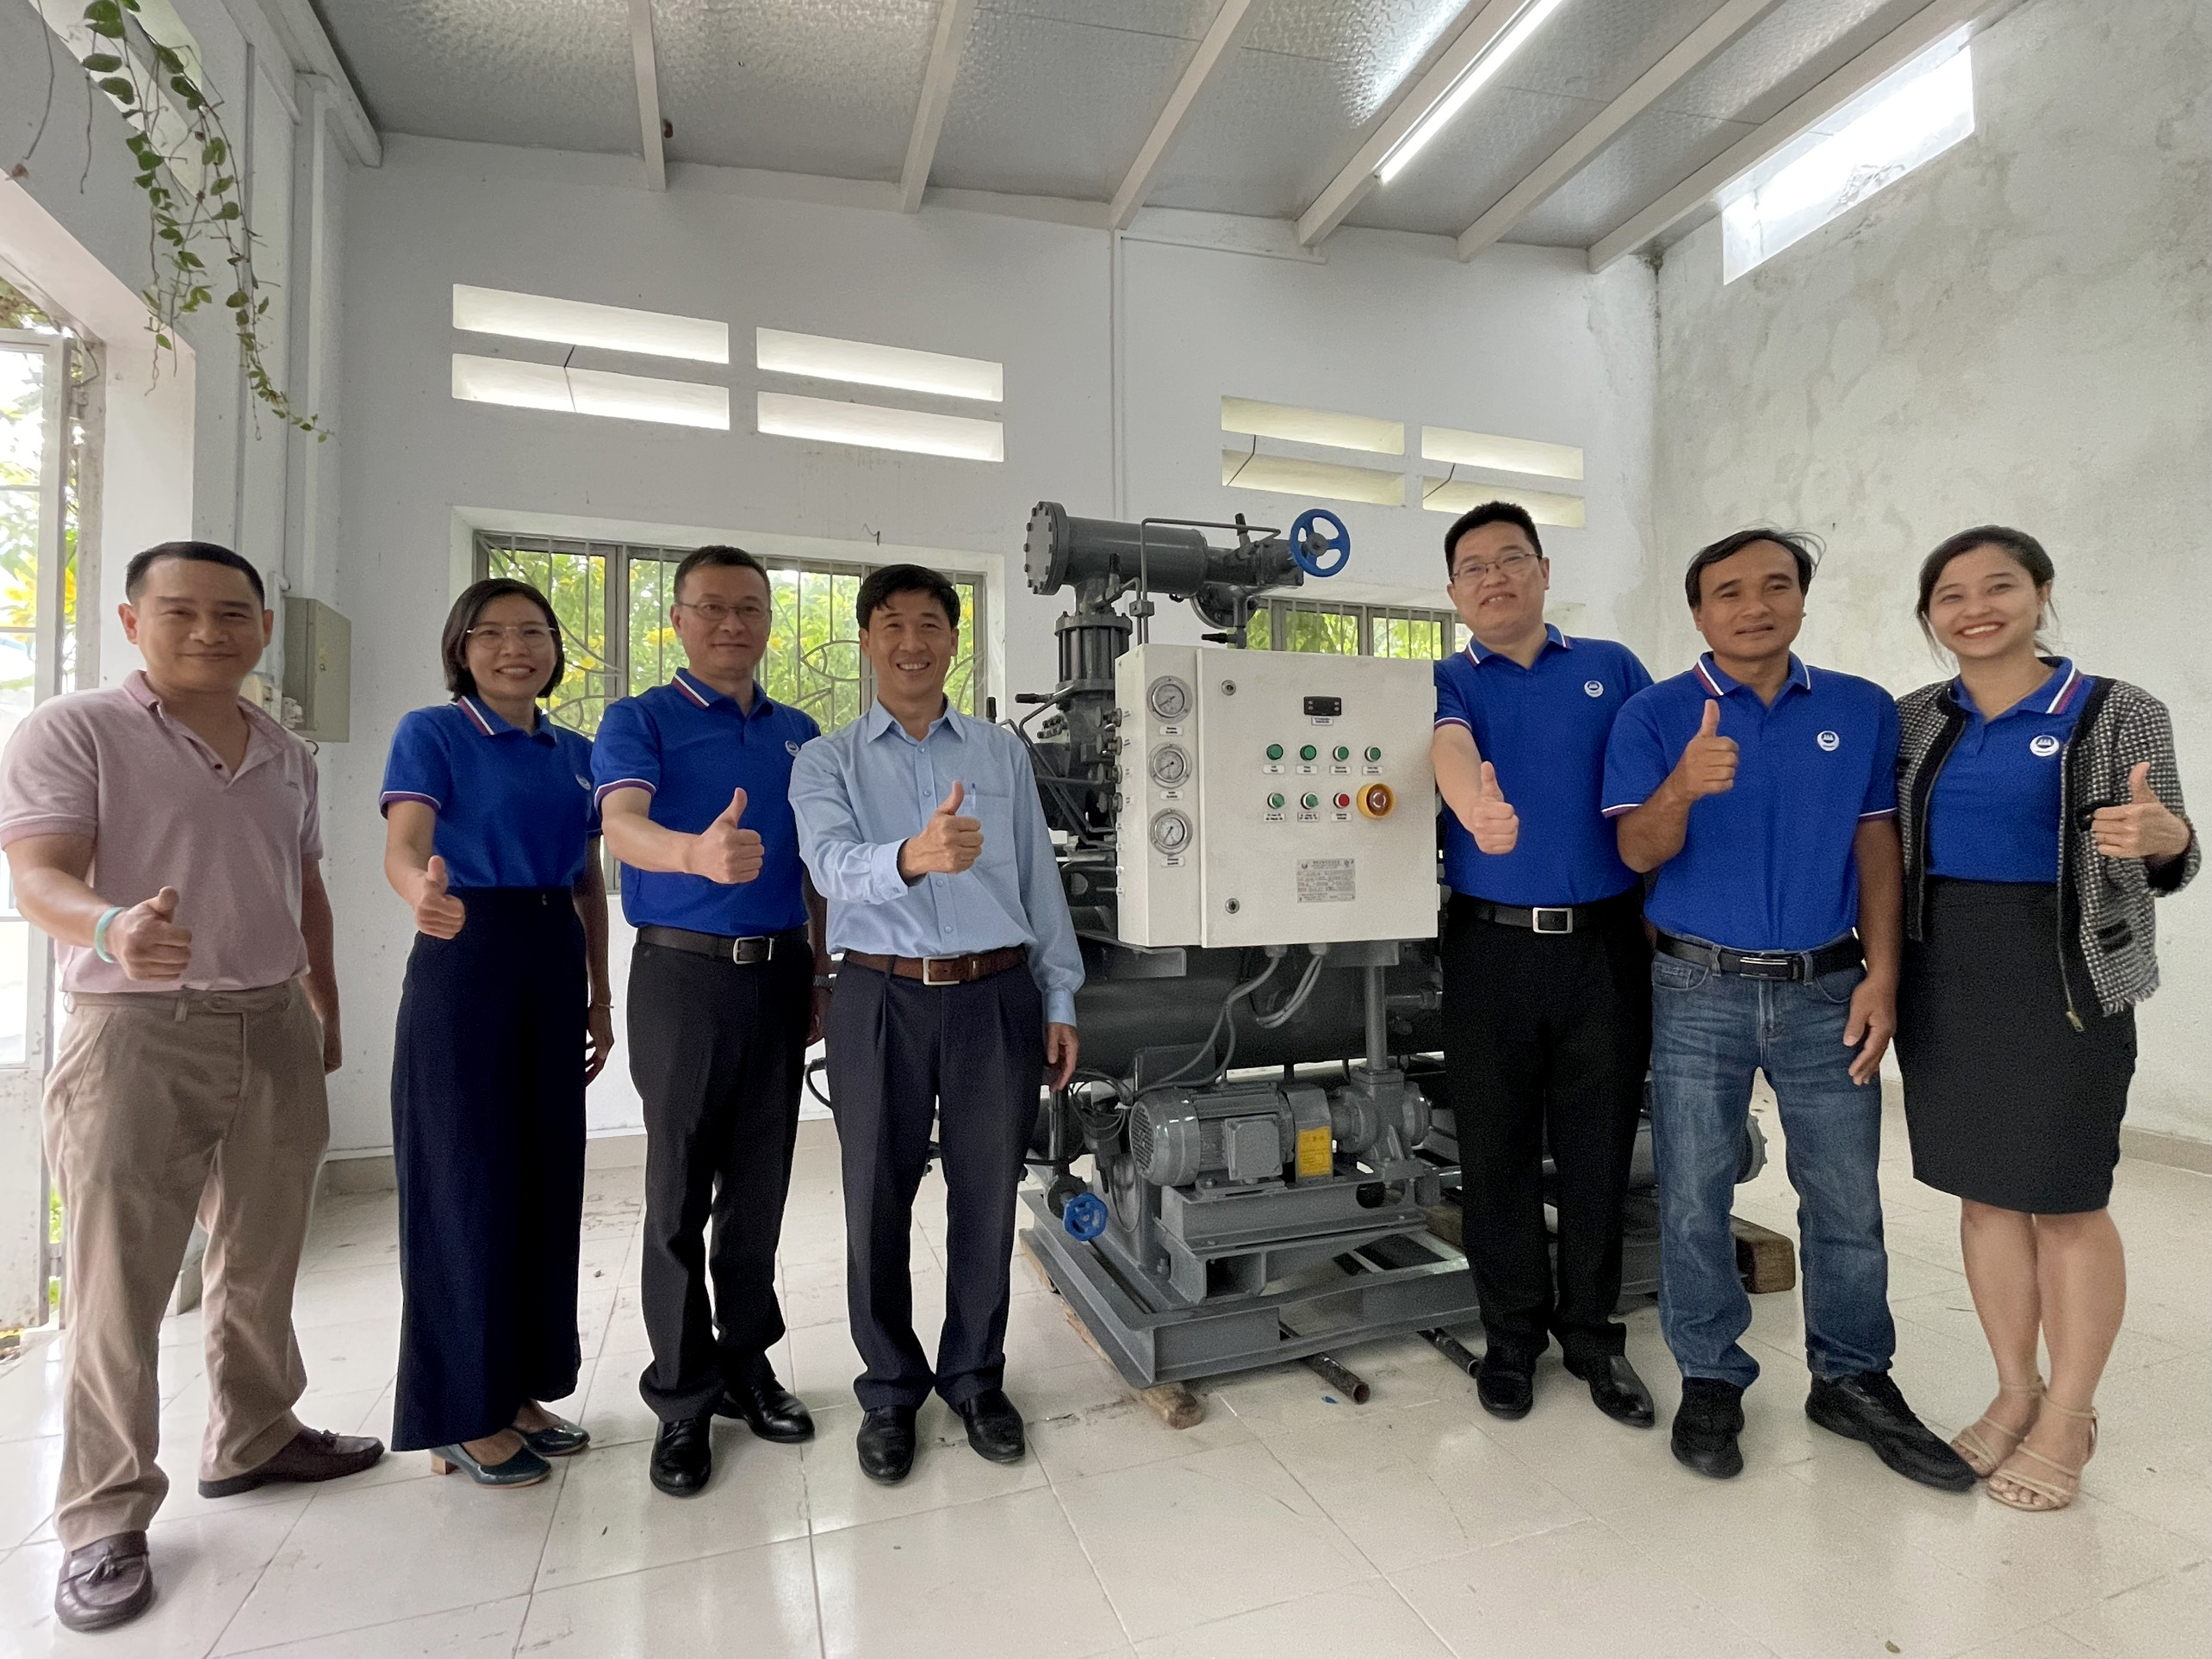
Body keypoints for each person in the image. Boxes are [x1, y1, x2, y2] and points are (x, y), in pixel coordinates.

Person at [0, 542, 382, 1634]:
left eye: (232, 613)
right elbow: (37, 873)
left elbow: (303, 884)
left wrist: (323, 1002)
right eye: (181, 612)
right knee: (118, 1278)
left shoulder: (285, 751)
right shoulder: (75, 730)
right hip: (135, 1030)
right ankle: (103, 1515)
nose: (209, 631)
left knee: (263, 1250)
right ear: (133, 622)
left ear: (265, 628)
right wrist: (112, 928)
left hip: (272, 1021)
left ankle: (255, 1434)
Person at [1601, 528, 1969, 1491]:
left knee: (1845, 1196)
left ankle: (1851, 1377)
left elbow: (1877, 849)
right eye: (1728, 591)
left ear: (1803, 600)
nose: (1754, 606)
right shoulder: (1654, 713)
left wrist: (1883, 976)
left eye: (1776, 586)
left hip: (1828, 988)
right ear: (1698, 613)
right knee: (1693, 1195)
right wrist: (1683, 785)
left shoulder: (1859, 708)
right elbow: (1636, 852)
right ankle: (1711, 1376)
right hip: (1696, 989)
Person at [1894, 526, 2196, 1513]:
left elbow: (2170, 847)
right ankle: (2015, 1390)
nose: (1976, 608)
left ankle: (2071, 1413)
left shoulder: (2115, 711)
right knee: (1985, 1198)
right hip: (1946, 979)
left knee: (2066, 1201)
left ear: (2041, 594)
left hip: (2066, 980)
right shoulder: (1914, 719)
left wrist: (2166, 838)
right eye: (1952, 595)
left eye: (1999, 586)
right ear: (1930, 616)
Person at [791, 563, 1081, 1485]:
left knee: (988, 1194)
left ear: (954, 640)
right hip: (879, 996)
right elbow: (830, 866)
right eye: (891, 624)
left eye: (929, 624)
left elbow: (1038, 878)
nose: (911, 642)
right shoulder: (826, 760)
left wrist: (1059, 996)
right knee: (876, 1196)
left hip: (996, 994)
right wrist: (913, 856)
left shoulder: (998, 753)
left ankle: (975, 1377)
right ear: (866, 641)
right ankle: (888, 1390)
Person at [592, 544, 828, 1498]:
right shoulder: (639, 718)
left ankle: (746, 1365)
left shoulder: (800, 732)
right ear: (679, 620)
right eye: (712, 608)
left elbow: (816, 863)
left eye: (751, 609)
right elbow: (621, 823)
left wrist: (821, 967)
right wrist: (694, 853)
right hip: (681, 976)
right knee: (679, 1192)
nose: (733, 625)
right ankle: (683, 1399)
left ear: (769, 621)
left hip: (780, 975)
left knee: (760, 1190)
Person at [380, 579, 613, 1488]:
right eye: (492, 633)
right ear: (461, 648)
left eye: (533, 632)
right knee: (463, 1181)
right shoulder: (432, 733)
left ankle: (516, 1390)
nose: (515, 648)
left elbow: (588, 883)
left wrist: (599, 996)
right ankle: (458, 1412)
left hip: (551, 955)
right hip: (465, 952)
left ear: (555, 649)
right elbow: (405, 845)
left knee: (543, 1183)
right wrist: (421, 895)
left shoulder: (576, 753)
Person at [1429, 502, 1657, 1429]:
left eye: (1511, 558)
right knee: (1497, 1151)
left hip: (1607, 944)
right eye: (1474, 567)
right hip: (1488, 946)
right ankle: (1512, 1339)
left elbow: (1658, 781)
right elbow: (1448, 744)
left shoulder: (1613, 668)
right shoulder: (1446, 678)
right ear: (1454, 592)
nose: (1494, 578)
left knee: (1601, 1149)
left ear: (1544, 570)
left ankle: (1594, 1338)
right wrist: (1474, 809)